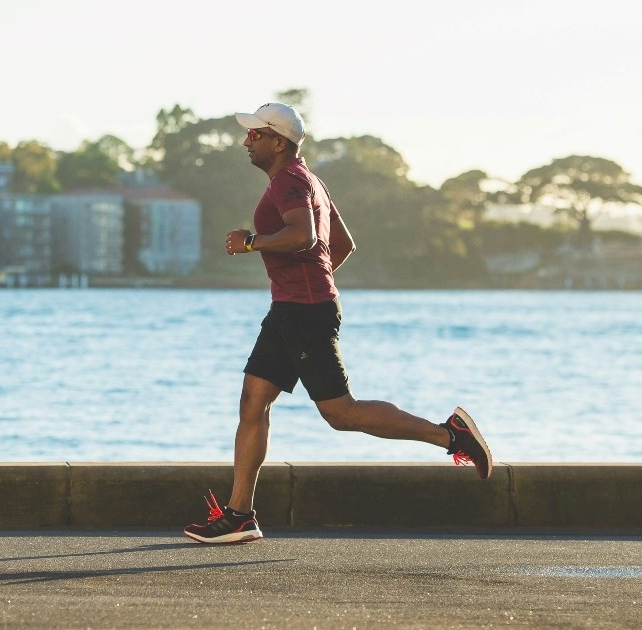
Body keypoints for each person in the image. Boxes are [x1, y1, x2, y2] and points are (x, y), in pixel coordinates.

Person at [183, 102, 492, 544]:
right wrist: (311, 281)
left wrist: (253, 243)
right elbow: (341, 244)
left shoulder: (290, 181)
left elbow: (306, 237)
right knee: (253, 402)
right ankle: (239, 515)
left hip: (303, 313)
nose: (246, 141)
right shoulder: (310, 181)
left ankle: (450, 436)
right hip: (293, 309)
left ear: (278, 141)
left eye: (255, 134)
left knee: (341, 413)